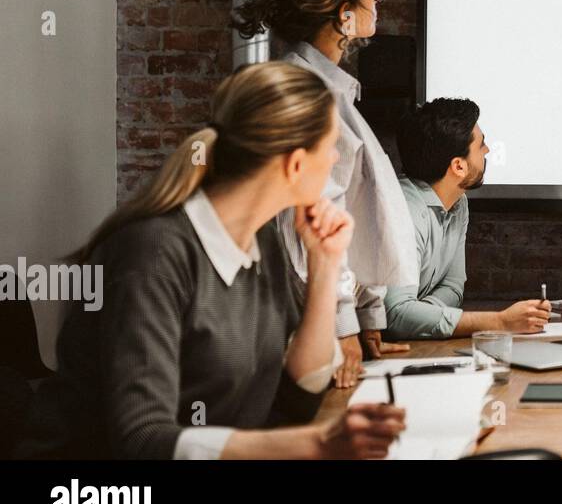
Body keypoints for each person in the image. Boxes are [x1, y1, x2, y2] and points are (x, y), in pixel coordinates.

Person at [15, 63, 405, 459]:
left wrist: (324, 264)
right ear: (296, 164)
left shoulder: (262, 240)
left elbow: (297, 396)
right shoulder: (153, 251)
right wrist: (316, 444)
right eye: (331, 145)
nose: (337, 156)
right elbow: (141, 439)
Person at [234, 0, 417, 387]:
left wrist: (368, 315)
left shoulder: (334, 89)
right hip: (302, 329)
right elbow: (313, 220)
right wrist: (342, 326)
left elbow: (356, 211)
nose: (379, 0)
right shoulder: (303, 92)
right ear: (344, 14)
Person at [384, 99, 551, 339]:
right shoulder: (403, 211)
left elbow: (453, 286)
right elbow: (397, 314)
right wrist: (500, 322)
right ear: (458, 166)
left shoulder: (458, 201)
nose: (487, 151)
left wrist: (422, 314)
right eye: (481, 145)